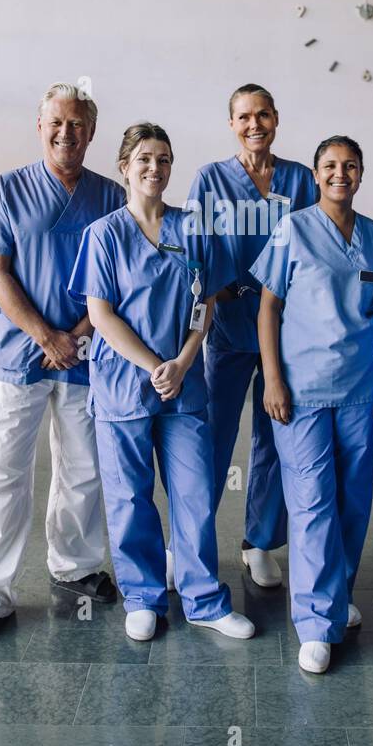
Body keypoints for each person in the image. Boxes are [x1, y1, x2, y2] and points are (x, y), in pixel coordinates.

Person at [0, 83, 123, 650]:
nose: (65, 133)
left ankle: (74, 565)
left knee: (82, 467)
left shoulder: (111, 195)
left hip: (84, 353)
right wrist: (45, 334)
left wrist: (75, 336)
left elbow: (118, 278)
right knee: (3, 471)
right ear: (40, 126)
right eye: (56, 122)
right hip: (18, 354)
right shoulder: (8, 189)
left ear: (92, 133)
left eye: (77, 124)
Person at [68, 123, 254, 643]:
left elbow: (207, 301)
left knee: (194, 493)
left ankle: (203, 599)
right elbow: (100, 314)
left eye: (165, 159)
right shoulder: (104, 234)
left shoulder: (192, 230)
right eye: (145, 159)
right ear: (125, 166)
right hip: (124, 385)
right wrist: (155, 364)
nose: (155, 168)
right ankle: (143, 596)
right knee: (129, 496)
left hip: (185, 384)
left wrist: (185, 358)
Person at [253, 136, 373, 673]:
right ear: (316, 175)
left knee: (353, 501)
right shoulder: (294, 229)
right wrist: (272, 378)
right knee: (313, 501)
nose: (341, 174)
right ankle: (315, 623)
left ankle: (336, 596)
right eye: (330, 166)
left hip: (360, 388)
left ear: (361, 174)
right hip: (303, 389)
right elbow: (268, 308)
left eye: (350, 166)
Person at [184, 84, 317, 589]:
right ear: (231, 123)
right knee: (211, 439)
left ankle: (259, 542)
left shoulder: (301, 180)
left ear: (277, 119)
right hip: (229, 327)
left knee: (274, 437)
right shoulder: (211, 179)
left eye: (263, 114)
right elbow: (196, 251)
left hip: (286, 332)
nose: (254, 124)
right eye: (244, 116)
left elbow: (315, 244)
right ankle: (190, 542)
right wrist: (229, 288)